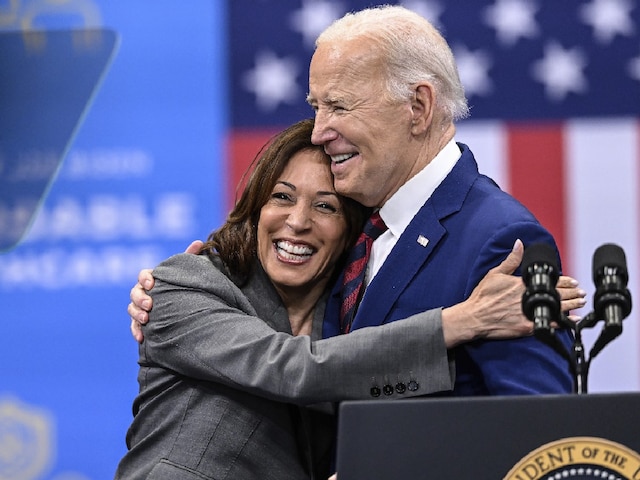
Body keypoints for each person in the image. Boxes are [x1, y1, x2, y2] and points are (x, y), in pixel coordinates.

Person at [117, 119, 583, 480]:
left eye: (325, 206)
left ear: (351, 234)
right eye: (281, 197)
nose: (297, 222)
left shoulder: (345, 314)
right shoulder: (183, 285)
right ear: (255, 208)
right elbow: (294, 369)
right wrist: (464, 321)